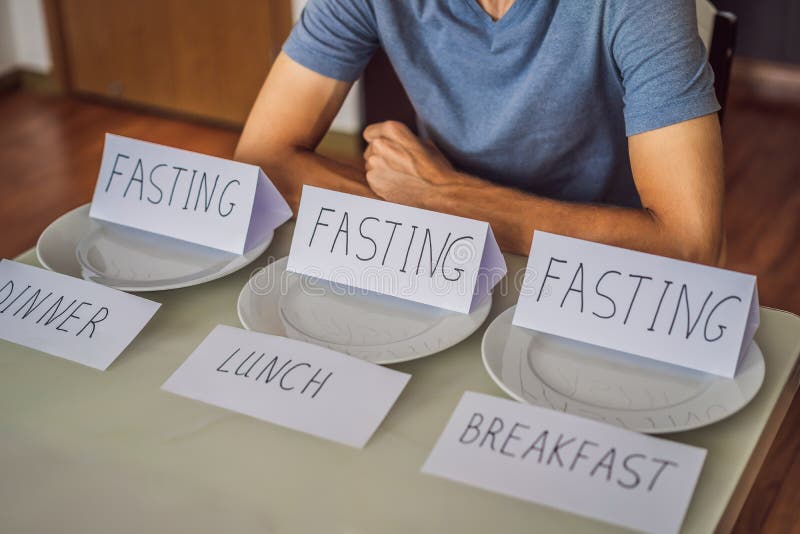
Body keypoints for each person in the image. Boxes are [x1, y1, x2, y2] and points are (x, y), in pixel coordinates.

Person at [234, 0, 725, 264]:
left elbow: (688, 244)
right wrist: (434, 206)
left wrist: (445, 199)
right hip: (445, 258)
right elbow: (263, 160)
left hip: (600, 273)